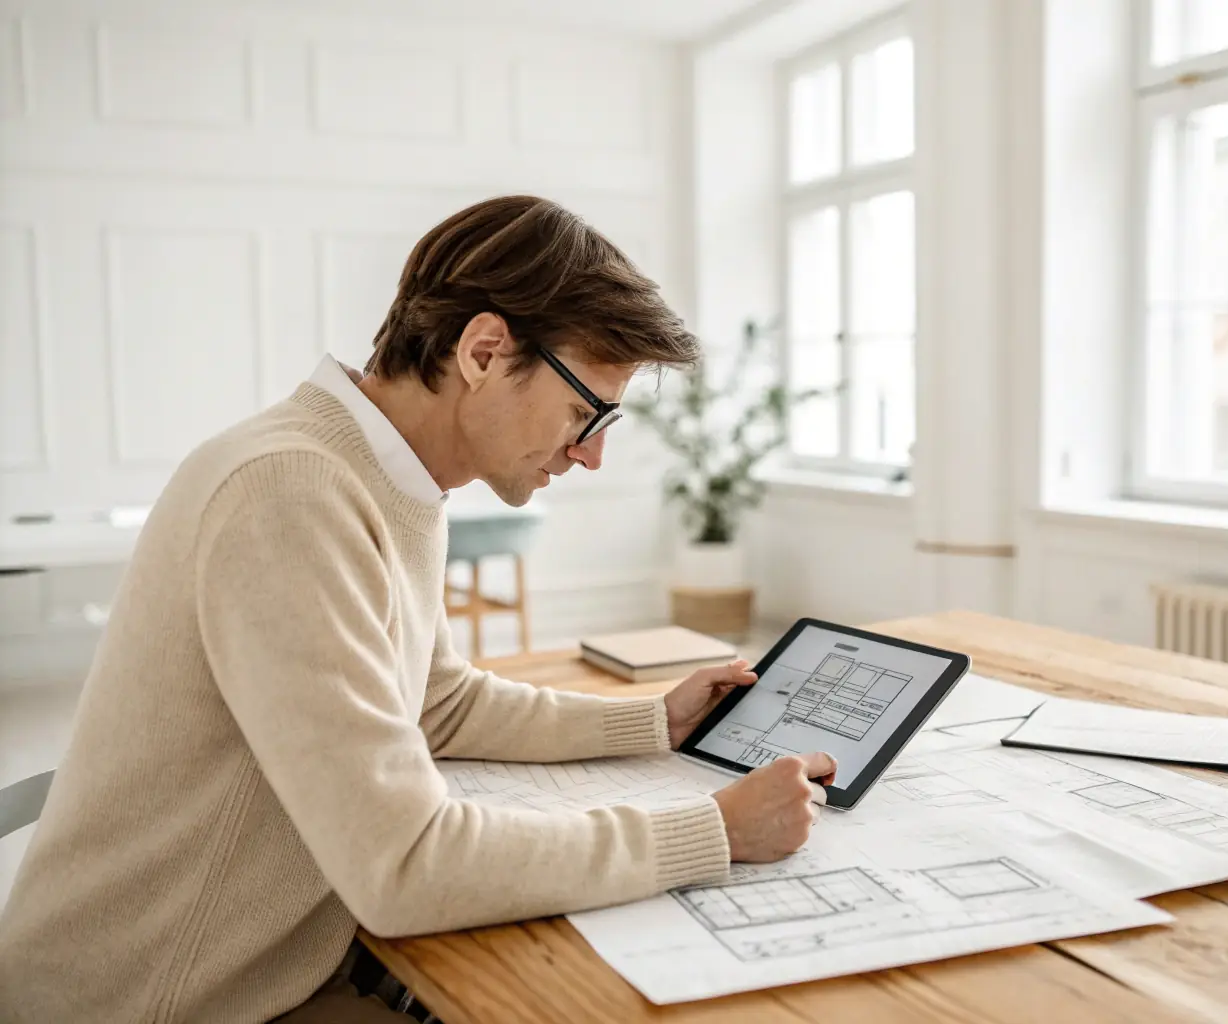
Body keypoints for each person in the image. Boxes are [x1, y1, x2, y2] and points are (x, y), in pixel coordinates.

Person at [0, 196, 834, 1023]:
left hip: (258, 975)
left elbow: (437, 700)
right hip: (160, 1001)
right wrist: (713, 831)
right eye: (585, 410)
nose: (591, 453)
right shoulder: (289, 495)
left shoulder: (386, 477)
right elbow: (402, 865)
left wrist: (653, 722)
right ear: (483, 351)